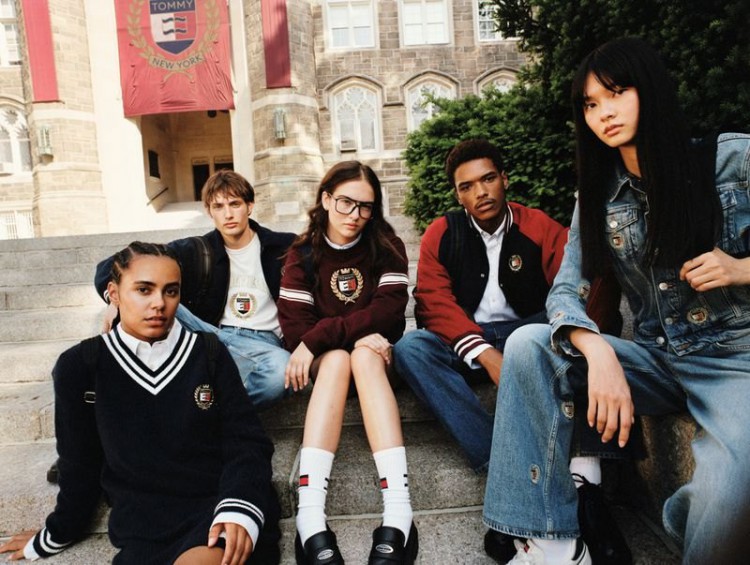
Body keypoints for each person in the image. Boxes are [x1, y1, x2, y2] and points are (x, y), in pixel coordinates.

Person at [482, 37, 750, 565]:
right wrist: (596, 348)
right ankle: (554, 545)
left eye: (616, 93)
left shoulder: (734, 159)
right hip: (655, 361)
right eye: (590, 103)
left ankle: (696, 513)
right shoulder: (599, 194)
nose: (603, 113)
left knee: (729, 490)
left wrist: (742, 268)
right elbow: (566, 288)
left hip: (734, 362)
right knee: (529, 343)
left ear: (649, 89)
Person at [392, 139, 627, 562]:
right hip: (467, 340)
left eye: (488, 179)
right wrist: (485, 354)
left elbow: (582, 283)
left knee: (589, 333)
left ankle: (584, 479)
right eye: (467, 186)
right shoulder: (442, 232)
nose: (480, 192)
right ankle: (508, 464)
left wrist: (570, 337)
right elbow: (432, 300)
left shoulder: (537, 226)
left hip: (531, 331)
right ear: (457, 195)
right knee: (411, 348)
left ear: (504, 179)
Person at [0, 242, 281, 564]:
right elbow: (79, 463)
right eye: (144, 290)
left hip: (218, 507)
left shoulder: (208, 352)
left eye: (171, 291)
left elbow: (246, 442)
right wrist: (56, 533)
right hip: (143, 525)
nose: (159, 303)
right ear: (114, 294)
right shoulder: (80, 365)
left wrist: (239, 506)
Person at [277, 161, 417, 565]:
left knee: (364, 354)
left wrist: (330, 336)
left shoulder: (387, 246)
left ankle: (399, 511)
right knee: (340, 358)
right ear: (325, 199)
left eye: (365, 206)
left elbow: (389, 315)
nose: (355, 215)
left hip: (376, 365)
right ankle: (309, 517)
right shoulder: (302, 254)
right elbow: (296, 330)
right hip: (328, 367)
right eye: (345, 202)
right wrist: (348, 334)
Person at [94, 170, 295, 411]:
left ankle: (200, 412)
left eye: (235, 204)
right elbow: (111, 266)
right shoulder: (197, 250)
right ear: (209, 212)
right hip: (209, 335)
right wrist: (116, 300)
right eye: (218, 206)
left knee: (282, 371)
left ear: (249, 206)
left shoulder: (284, 246)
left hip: (263, 343)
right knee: (148, 300)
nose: (228, 214)